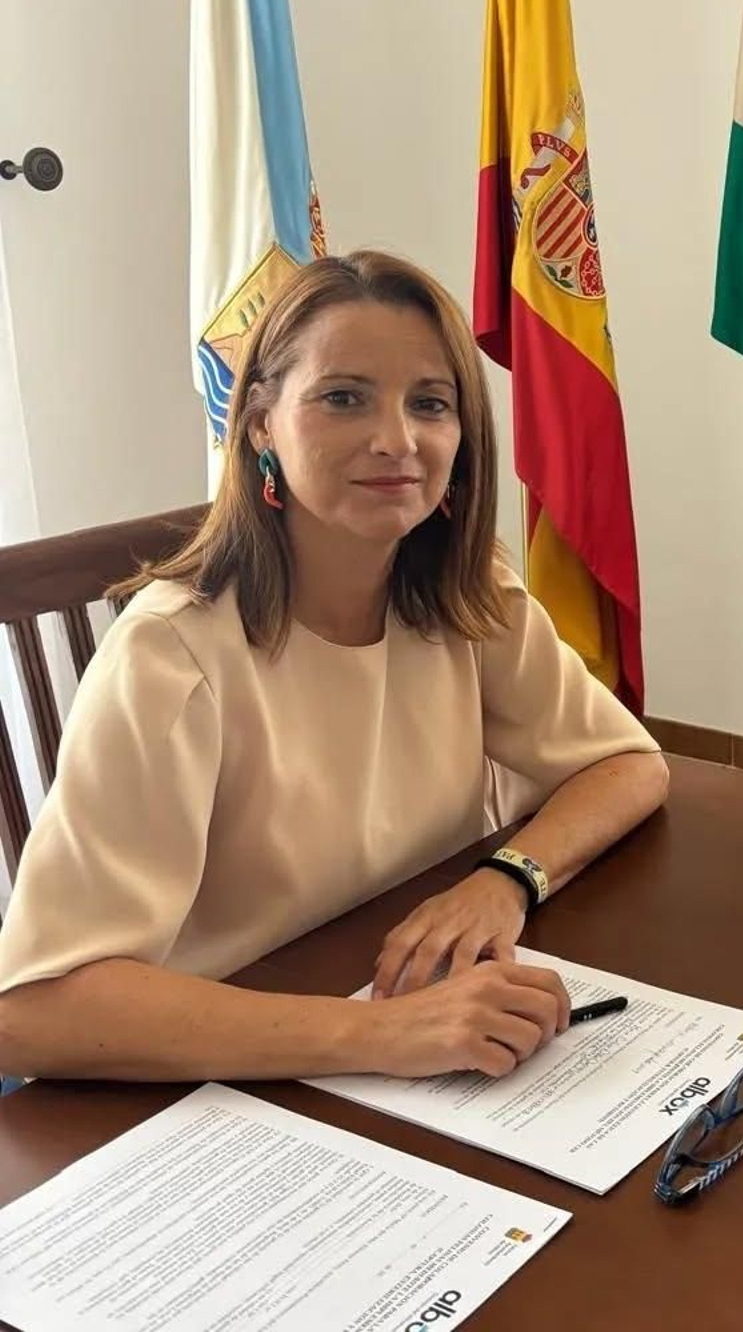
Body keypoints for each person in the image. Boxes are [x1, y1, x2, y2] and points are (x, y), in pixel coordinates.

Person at [0, 251, 667, 1086]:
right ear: (260, 424)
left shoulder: (468, 593)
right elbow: (32, 1011)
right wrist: (382, 1035)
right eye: (343, 398)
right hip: (224, 1075)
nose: (397, 441)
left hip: (414, 1018)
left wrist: (505, 881)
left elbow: (629, 765)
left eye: (430, 403)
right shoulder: (169, 657)